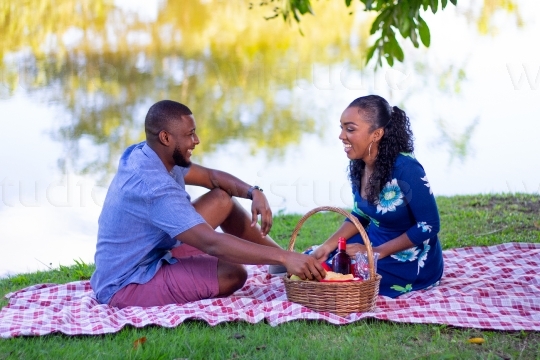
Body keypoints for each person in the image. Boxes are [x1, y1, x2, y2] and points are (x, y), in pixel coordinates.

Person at [90, 100, 325, 308]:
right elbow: (212, 243)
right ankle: (285, 260)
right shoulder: (154, 187)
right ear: (165, 137)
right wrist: (285, 258)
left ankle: (282, 261)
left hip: (153, 251)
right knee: (233, 274)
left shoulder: (149, 153)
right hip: (127, 282)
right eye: (190, 134)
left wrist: (254, 192)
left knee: (222, 199)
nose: (197, 140)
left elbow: (211, 177)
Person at [309, 95, 443, 298]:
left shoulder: (406, 169)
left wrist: (376, 252)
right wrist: (328, 245)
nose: (341, 136)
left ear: (376, 134)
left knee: (336, 273)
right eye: (342, 128)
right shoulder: (359, 163)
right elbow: (360, 215)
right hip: (372, 243)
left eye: (350, 129)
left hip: (408, 259)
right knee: (314, 260)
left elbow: (429, 225)